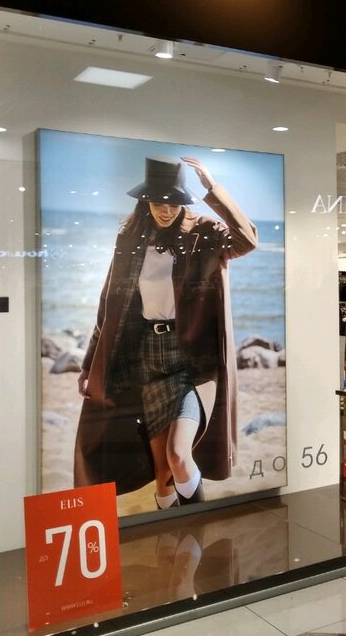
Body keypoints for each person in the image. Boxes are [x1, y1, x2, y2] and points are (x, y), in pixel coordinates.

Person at [74, 156, 258, 509]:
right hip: (146, 358)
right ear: (145, 201)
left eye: (173, 202)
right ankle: (172, 536)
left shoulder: (204, 233)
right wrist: (88, 363)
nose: (166, 210)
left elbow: (246, 240)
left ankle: (198, 527)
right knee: (162, 473)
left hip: (191, 360)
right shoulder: (130, 239)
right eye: (159, 202)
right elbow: (109, 305)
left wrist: (212, 188)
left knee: (178, 454)